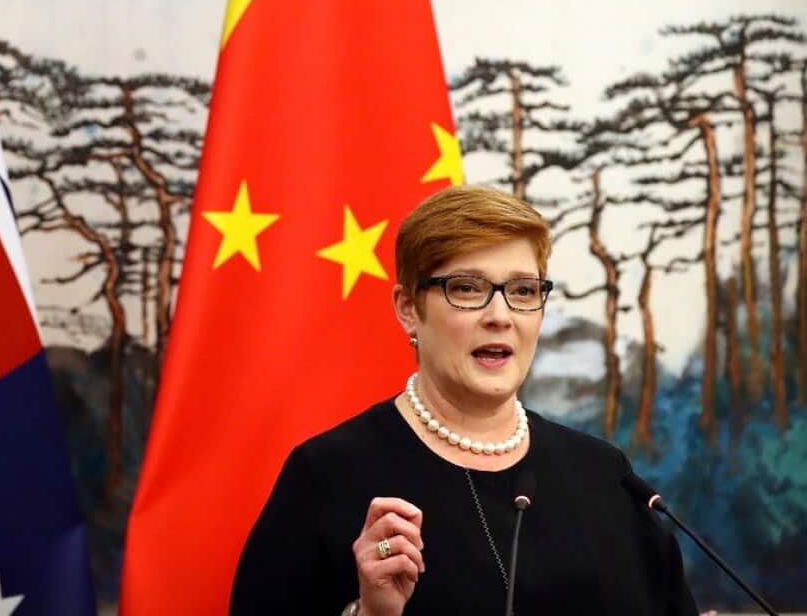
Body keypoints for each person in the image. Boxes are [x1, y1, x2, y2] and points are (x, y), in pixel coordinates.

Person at [229, 185, 698, 615]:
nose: (500, 315)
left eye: (522, 291)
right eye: (468, 289)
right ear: (409, 309)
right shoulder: (327, 476)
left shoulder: (606, 477)